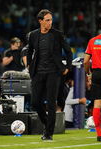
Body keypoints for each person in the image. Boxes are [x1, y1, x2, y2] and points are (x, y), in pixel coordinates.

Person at [27, 9, 72, 140]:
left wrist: (67, 67)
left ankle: (49, 133)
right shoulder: (34, 35)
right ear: (40, 21)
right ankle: (48, 123)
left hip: (53, 72)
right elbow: (29, 50)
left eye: (51, 20)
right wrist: (29, 64)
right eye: (47, 20)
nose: (50, 22)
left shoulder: (57, 34)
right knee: (35, 102)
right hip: (38, 73)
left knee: (51, 103)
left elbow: (68, 51)